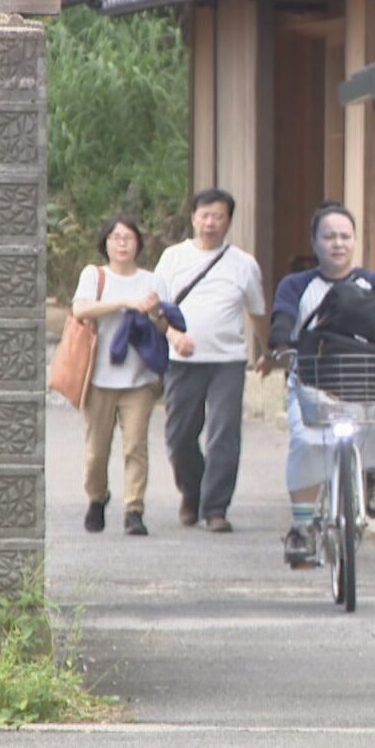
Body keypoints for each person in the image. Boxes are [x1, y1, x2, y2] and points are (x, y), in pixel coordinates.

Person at [269, 202, 375, 567]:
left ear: (356, 240)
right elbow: (283, 319)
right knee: (305, 441)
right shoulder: (296, 285)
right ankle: (302, 528)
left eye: (345, 236)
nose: (338, 244)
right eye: (329, 236)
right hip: (314, 382)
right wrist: (281, 341)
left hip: (365, 380)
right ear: (314, 242)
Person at [155, 188, 269, 533]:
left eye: (218, 216)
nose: (210, 223)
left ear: (229, 222)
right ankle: (193, 492)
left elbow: (257, 311)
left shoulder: (244, 264)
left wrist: (266, 350)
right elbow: (156, 310)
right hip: (182, 361)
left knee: (223, 434)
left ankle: (216, 507)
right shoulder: (173, 259)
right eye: (204, 215)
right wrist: (174, 336)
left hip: (228, 361)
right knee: (179, 435)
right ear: (193, 217)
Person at [71, 218, 178, 536]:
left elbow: (164, 326)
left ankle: (134, 509)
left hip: (139, 380)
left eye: (128, 238)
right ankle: (97, 496)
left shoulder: (153, 280)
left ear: (138, 244)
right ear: (105, 243)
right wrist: (124, 303)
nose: (122, 244)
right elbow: (80, 310)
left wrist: (155, 312)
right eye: (116, 238)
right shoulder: (94, 276)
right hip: (99, 378)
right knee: (96, 452)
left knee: (135, 446)